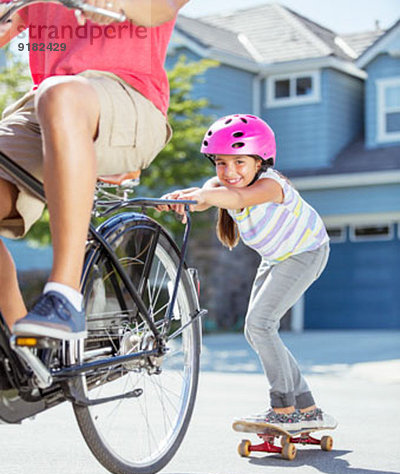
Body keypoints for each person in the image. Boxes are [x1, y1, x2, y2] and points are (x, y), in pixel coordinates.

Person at [0, 0, 188, 342]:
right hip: (44, 103)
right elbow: (11, 21)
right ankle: (22, 358)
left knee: (61, 95)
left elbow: (162, 8)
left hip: (129, 94)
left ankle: (64, 296)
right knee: (55, 94)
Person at [158, 114, 337, 432]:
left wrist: (204, 196)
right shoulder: (221, 186)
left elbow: (237, 198)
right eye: (221, 163)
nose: (229, 172)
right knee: (256, 331)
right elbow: (208, 196)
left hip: (306, 253)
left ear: (260, 161)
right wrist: (181, 200)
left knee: (261, 325)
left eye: (239, 162)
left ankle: (284, 410)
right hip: (275, 257)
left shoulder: (271, 186)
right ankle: (307, 406)